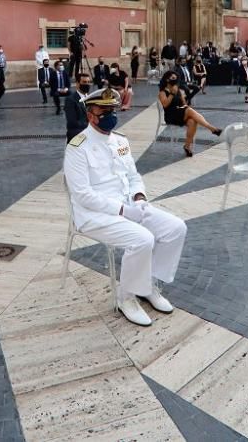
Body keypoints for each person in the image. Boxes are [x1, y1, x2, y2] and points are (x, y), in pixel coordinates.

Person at [64, 87, 187, 327]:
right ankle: (126, 297)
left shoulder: (120, 141)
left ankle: (148, 285)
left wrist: (139, 197)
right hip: (94, 215)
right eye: (105, 111)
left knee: (176, 228)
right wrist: (123, 210)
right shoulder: (77, 148)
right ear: (90, 115)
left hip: (130, 205)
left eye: (113, 109)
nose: (111, 114)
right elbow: (82, 195)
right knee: (142, 240)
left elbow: (133, 176)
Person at [158, 70, 221, 157]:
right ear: (167, 79)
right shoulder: (162, 92)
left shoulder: (177, 90)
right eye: (172, 78)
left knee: (192, 121)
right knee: (189, 110)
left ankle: (187, 146)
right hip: (171, 116)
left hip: (180, 113)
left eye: (176, 78)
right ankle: (212, 128)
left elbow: (184, 104)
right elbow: (165, 105)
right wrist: (172, 93)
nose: (174, 80)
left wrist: (181, 97)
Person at [65, 72, 92, 141]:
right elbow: (72, 122)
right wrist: (92, 126)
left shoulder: (91, 98)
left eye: (89, 82)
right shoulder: (70, 100)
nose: (87, 84)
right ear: (77, 84)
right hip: (77, 134)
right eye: (84, 82)